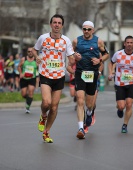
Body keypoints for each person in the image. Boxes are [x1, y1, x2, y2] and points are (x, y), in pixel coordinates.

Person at [32, 14, 80, 143]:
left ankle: (46, 132)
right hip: (45, 74)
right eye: (54, 22)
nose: (57, 25)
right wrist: (37, 56)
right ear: (51, 24)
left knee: (54, 107)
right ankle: (43, 116)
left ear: (62, 25)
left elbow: (71, 58)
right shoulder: (43, 38)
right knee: (46, 103)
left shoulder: (66, 41)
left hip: (59, 76)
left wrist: (74, 59)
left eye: (59, 23)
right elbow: (34, 49)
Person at [72, 21, 109, 139]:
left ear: (92, 30)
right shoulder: (76, 41)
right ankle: (80, 128)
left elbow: (106, 54)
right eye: (84, 29)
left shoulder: (99, 41)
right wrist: (74, 57)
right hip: (80, 73)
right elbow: (70, 55)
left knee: (89, 104)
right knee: (80, 101)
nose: (86, 31)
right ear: (82, 30)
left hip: (92, 74)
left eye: (89, 29)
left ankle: (90, 113)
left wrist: (100, 60)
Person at [108, 35, 133, 133]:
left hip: (132, 82)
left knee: (129, 105)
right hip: (119, 83)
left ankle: (125, 125)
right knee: (122, 106)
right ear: (124, 44)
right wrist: (110, 73)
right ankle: (120, 109)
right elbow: (111, 63)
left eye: (131, 43)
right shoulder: (118, 54)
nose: (129, 44)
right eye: (127, 42)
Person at [18, 47, 38, 114]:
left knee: (31, 92)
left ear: (33, 52)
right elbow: (18, 66)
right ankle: (28, 99)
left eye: (31, 51)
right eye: (29, 51)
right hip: (24, 79)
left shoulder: (36, 60)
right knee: (23, 94)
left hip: (32, 78)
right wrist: (21, 73)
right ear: (27, 52)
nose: (30, 53)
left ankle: (28, 106)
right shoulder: (24, 59)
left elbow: (41, 68)